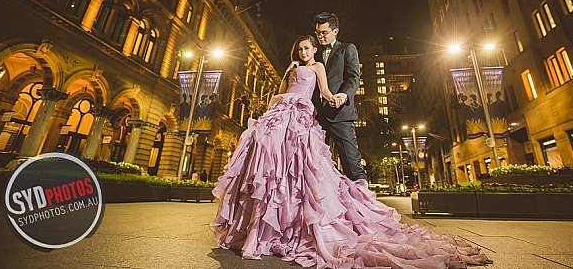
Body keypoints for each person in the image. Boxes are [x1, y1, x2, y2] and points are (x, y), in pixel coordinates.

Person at [210, 35, 491, 268]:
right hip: (280, 114)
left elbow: (324, 91)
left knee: (300, 169)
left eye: (307, 48)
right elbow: (281, 89)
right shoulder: (291, 67)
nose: (303, 51)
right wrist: (286, 78)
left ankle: (289, 224)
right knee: (269, 164)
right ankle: (262, 226)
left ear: (315, 50)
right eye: (300, 48)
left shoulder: (318, 66)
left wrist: (340, 97)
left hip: (300, 118)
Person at [312, 12, 366, 182]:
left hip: (340, 114)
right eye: (318, 33)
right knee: (315, 163)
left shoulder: (347, 49)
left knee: (351, 163)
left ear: (335, 31)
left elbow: (354, 77)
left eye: (324, 32)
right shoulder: (315, 54)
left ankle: (364, 201)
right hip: (316, 116)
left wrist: (344, 95)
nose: (320, 36)